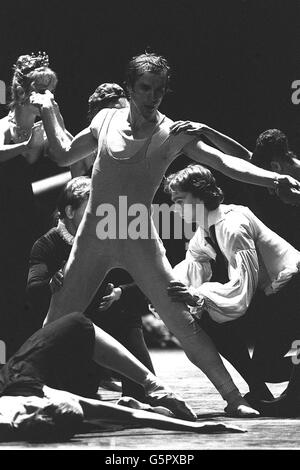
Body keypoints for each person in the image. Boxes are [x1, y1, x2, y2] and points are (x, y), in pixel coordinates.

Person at [31, 52, 299, 417]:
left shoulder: (171, 133)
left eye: (159, 89)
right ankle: (30, 384)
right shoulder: (105, 120)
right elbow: (62, 155)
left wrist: (273, 178)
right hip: (95, 234)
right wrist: (48, 108)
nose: (152, 96)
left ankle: (234, 397)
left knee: (180, 320)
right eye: (145, 88)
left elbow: (225, 163)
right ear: (130, 87)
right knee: (58, 317)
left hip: (139, 236)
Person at [165, 164, 300, 409]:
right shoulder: (204, 231)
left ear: (200, 194)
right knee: (207, 317)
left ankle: (291, 396)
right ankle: (259, 391)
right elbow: (189, 269)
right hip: (275, 298)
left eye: (180, 200)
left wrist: (197, 296)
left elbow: (242, 288)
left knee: (270, 368)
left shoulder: (232, 225)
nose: (175, 208)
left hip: (294, 291)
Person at [0, 311, 224, 443]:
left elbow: (131, 417)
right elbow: (133, 416)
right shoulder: (46, 403)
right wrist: (196, 428)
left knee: (77, 324)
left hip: (33, 380)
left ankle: (151, 389)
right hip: (42, 380)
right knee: (78, 323)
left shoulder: (31, 404)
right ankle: (153, 389)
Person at [25, 176, 155, 401]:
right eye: (90, 209)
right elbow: (34, 290)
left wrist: (119, 293)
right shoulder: (47, 244)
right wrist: (52, 283)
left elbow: (147, 280)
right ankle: (95, 374)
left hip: (117, 318)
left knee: (143, 393)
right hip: (80, 328)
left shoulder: (114, 235)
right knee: (78, 396)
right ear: (69, 211)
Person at [0, 52, 69, 357]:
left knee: (38, 288)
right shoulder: (5, 125)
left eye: (48, 89)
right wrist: (24, 147)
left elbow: (72, 157)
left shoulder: (48, 123)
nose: (45, 96)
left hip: (40, 219)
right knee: (9, 288)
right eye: (39, 89)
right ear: (20, 92)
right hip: (6, 218)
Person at [70, 82, 128, 177]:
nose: (121, 116)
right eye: (115, 112)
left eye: (125, 111)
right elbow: (78, 188)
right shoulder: (82, 150)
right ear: (98, 117)